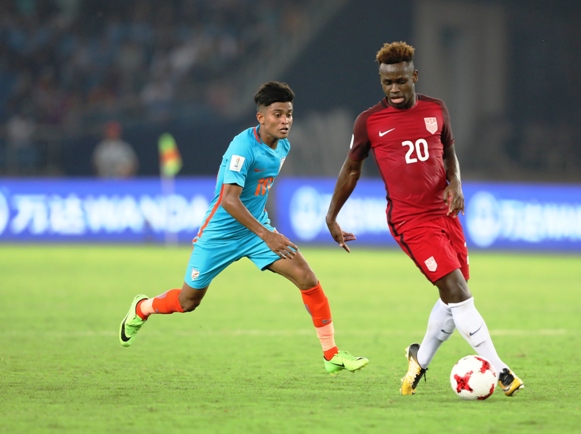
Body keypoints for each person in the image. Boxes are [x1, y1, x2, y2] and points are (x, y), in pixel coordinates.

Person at [119, 81, 368, 374]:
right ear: (261, 117)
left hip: (255, 230)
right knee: (188, 302)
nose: (285, 121)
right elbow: (229, 199)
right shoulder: (242, 147)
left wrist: (263, 231)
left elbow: (257, 190)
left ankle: (331, 354)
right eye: (277, 114)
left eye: (289, 114)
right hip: (221, 233)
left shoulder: (283, 145)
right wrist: (268, 235)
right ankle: (142, 308)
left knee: (307, 278)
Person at [325, 42, 524, 396]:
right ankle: (501, 370)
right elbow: (351, 169)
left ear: (414, 76)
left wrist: (456, 183)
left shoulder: (436, 110)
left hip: (445, 213)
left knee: (453, 296)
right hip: (410, 220)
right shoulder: (369, 122)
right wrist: (332, 216)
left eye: (400, 81)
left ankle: (419, 359)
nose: (394, 89)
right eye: (387, 82)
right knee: (458, 292)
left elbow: (449, 152)